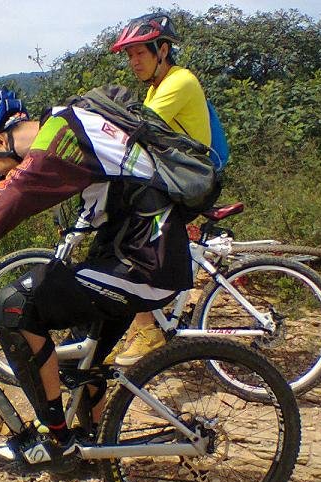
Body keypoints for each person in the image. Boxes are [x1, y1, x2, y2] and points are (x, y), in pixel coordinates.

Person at [0, 83, 193, 471]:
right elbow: (5, 193)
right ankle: (91, 448)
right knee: (74, 363)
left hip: (143, 264)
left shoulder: (63, 130)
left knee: (13, 306)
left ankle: (55, 441)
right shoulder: (69, 129)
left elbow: (14, 194)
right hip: (131, 258)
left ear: (1, 140)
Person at [107, 12, 212, 366]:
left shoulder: (179, 82)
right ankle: (140, 325)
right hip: (176, 176)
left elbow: (134, 127)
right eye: (129, 55)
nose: (133, 61)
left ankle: (148, 328)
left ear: (162, 50)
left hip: (189, 181)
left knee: (135, 236)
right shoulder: (157, 85)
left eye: (140, 53)